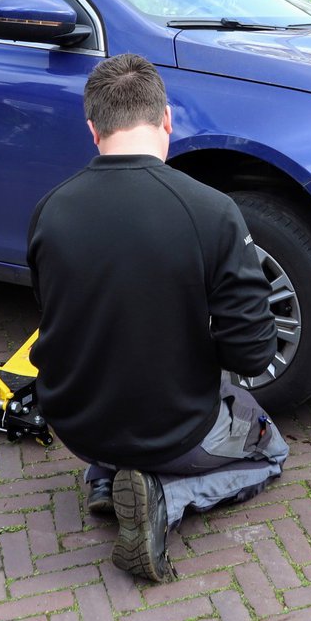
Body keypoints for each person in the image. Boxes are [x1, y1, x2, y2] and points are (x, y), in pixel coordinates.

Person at [27, 53, 289, 582]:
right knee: (271, 451)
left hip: (75, 424)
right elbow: (252, 353)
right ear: (166, 119)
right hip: (173, 430)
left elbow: (60, 319)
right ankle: (164, 497)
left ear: (92, 129)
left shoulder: (50, 210)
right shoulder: (211, 211)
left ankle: (107, 480)